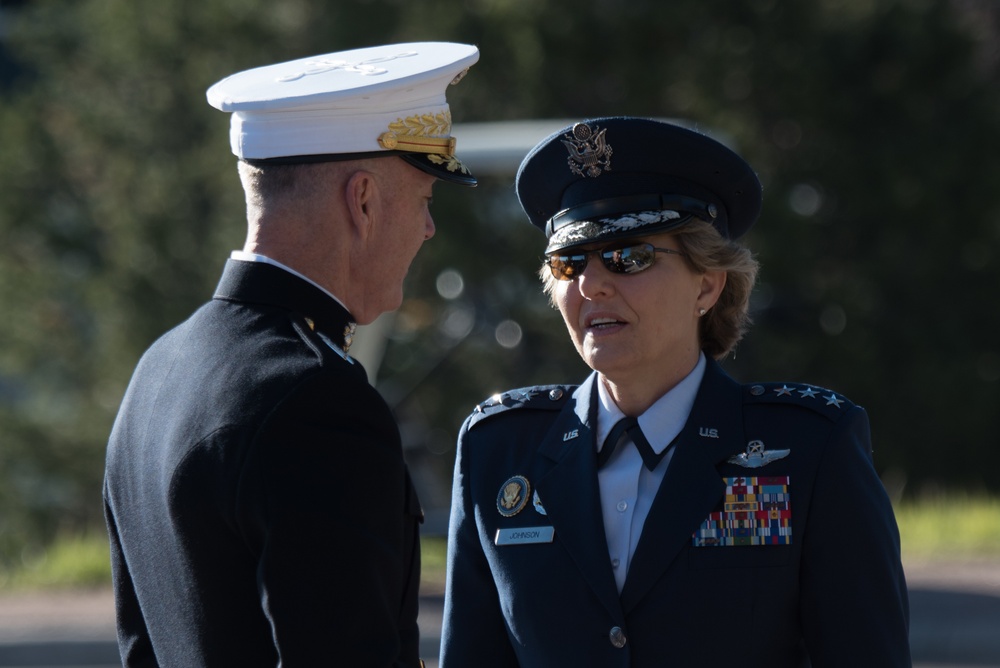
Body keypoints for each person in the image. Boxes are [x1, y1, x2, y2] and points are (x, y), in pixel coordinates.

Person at [439, 117, 910, 667]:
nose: (592, 284)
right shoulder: (498, 450)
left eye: (629, 256)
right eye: (570, 263)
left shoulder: (810, 450)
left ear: (708, 284)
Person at [103, 42, 479, 667]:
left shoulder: (160, 367)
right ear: (362, 201)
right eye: (425, 200)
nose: (428, 229)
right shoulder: (317, 401)